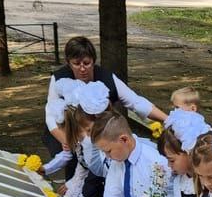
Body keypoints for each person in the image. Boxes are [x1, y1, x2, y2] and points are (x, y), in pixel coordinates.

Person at [43, 36, 167, 179]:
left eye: (87, 63)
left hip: (102, 140)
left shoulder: (106, 77)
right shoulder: (59, 78)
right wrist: (68, 140)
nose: (82, 68)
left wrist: (167, 119)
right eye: (76, 64)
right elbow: (50, 114)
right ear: (68, 63)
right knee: (76, 170)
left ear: (93, 60)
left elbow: (136, 102)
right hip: (71, 136)